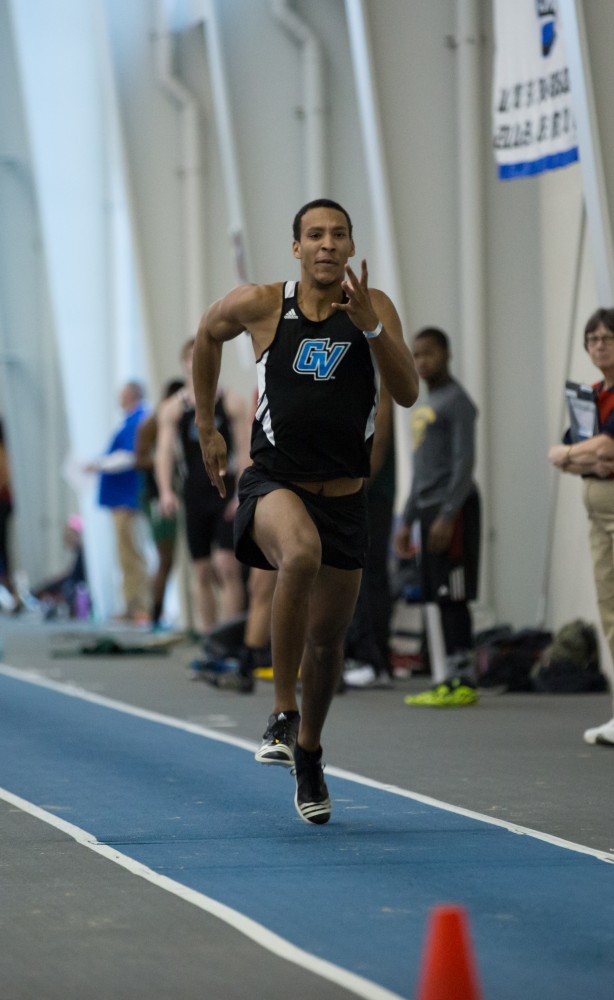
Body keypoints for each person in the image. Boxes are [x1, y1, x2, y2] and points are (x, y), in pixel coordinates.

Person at [192, 197, 418, 824]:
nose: (327, 244)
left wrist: (372, 326)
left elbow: (406, 392)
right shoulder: (263, 304)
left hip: (345, 497)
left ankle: (310, 750)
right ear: (296, 248)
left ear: (350, 247)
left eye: (338, 235)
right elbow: (208, 333)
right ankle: (281, 710)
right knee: (299, 554)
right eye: (314, 234)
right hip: (274, 483)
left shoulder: (374, 310)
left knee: (327, 643)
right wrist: (206, 425)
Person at [394, 326, 481, 707]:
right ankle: (446, 675)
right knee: (436, 593)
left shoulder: (457, 401)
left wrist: (448, 514)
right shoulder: (426, 404)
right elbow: (420, 470)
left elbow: (464, 464)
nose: (421, 361)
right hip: (427, 508)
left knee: (454, 594)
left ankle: (462, 678)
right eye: (416, 355)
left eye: (429, 353)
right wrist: (406, 518)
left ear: (446, 355)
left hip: (454, 508)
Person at [548, 307, 614, 746]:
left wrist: (582, 453)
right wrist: (581, 455)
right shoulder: (589, 395)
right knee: (609, 608)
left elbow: (607, 447)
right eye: (593, 338)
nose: (600, 345)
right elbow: (563, 454)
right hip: (595, 509)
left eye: (608, 337)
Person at [155, 339, 248, 633]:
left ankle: (231, 636)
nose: (197, 363)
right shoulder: (173, 408)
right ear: (184, 364)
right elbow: (164, 454)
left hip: (225, 493)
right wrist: (166, 492)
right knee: (203, 571)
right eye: (191, 358)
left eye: (203, 357)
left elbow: (247, 449)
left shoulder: (231, 402)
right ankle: (211, 638)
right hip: (195, 494)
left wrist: (241, 493)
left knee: (227, 567)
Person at [343, 384, 396, 688]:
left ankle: (374, 659)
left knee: (369, 572)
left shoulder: (376, 368)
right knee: (348, 571)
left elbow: (381, 434)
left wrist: (360, 485)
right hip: (348, 487)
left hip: (370, 490)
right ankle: (356, 652)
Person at [85, 381, 150, 624]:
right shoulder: (130, 422)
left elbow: (129, 456)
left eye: (122, 396)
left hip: (128, 498)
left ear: (133, 396)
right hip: (120, 499)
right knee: (125, 555)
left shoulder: (139, 421)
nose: (119, 401)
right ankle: (131, 603)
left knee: (133, 553)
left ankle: (140, 605)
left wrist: (99, 464)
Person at [135, 378, 184, 629]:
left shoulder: (185, 422)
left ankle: (160, 611)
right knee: (165, 558)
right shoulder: (152, 425)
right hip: (156, 497)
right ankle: (155, 614)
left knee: (172, 559)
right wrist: (162, 460)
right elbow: (139, 459)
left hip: (179, 495)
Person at [32, 514, 87, 618]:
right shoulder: (80, 552)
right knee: (53, 584)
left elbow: (75, 577)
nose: (66, 538)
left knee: (61, 585)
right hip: (73, 587)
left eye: (69, 535)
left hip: (77, 590)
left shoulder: (84, 554)